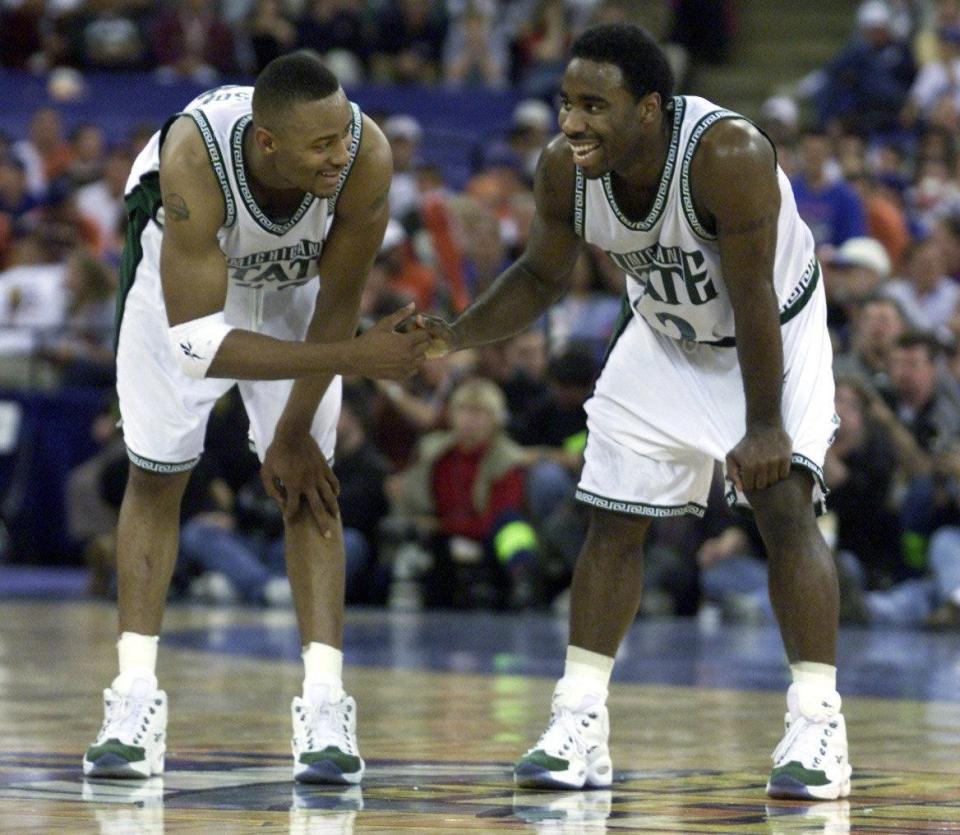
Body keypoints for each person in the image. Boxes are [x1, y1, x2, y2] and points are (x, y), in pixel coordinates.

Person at [421, 23, 850, 800]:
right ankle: (579, 720)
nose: (573, 122)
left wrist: (762, 426)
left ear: (649, 109)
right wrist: (453, 336)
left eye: (595, 104)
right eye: (566, 102)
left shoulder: (729, 156)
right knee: (612, 521)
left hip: (771, 334)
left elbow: (750, 297)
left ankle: (819, 722)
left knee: (784, 503)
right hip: (664, 335)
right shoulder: (564, 170)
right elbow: (541, 275)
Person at [82, 52, 432, 785]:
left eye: (343, 134)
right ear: (266, 143)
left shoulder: (365, 156)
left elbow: (338, 300)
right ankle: (134, 699)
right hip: (186, 295)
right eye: (321, 145)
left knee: (313, 484)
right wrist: (358, 358)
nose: (341, 153)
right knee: (156, 473)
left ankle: (326, 704)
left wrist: (295, 429)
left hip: (294, 288)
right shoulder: (192, 158)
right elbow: (196, 341)